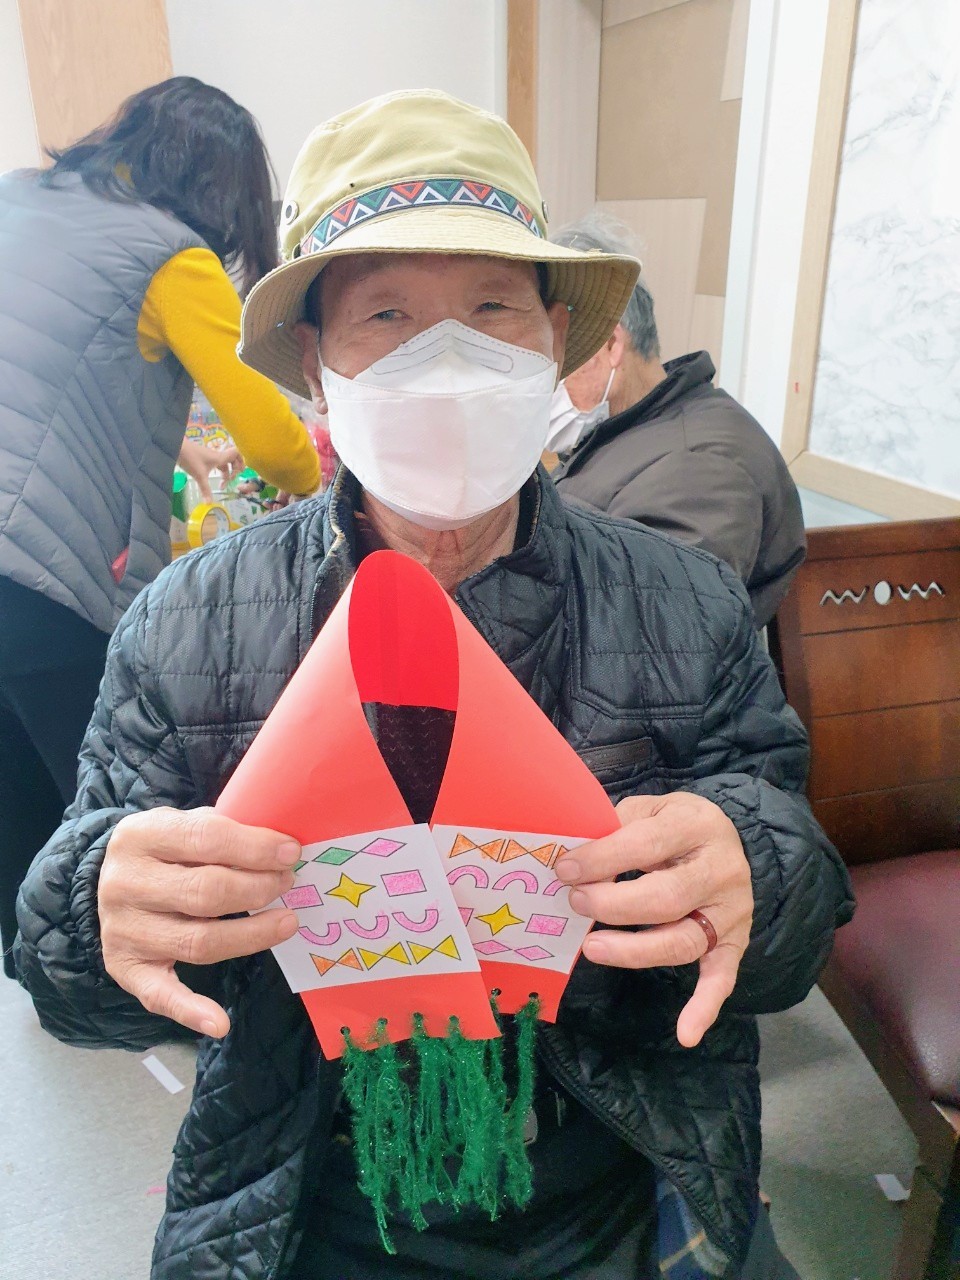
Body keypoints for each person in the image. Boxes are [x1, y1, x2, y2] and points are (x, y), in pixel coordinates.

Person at [15, 90, 852, 1279]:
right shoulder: (188, 623)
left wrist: (751, 867)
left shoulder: (683, 600)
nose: (447, 359)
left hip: (618, 1163)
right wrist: (100, 902)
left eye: (492, 308)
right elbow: (71, 973)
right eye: (388, 314)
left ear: (555, 342)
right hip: (308, 1187)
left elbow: (797, 899)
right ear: (316, 364)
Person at [0, 77, 321, 977]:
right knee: (109, 805)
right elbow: (277, 442)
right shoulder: (169, 257)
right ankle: (145, 984)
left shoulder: (23, 200)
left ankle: (35, 969)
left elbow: (48, 379)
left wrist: (179, 447)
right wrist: (319, 478)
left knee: (11, 788)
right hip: (39, 580)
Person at [549, 214, 805, 630]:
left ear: (610, 344)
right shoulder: (628, 430)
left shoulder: (701, 468)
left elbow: (650, 636)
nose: (543, 388)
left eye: (554, 360)